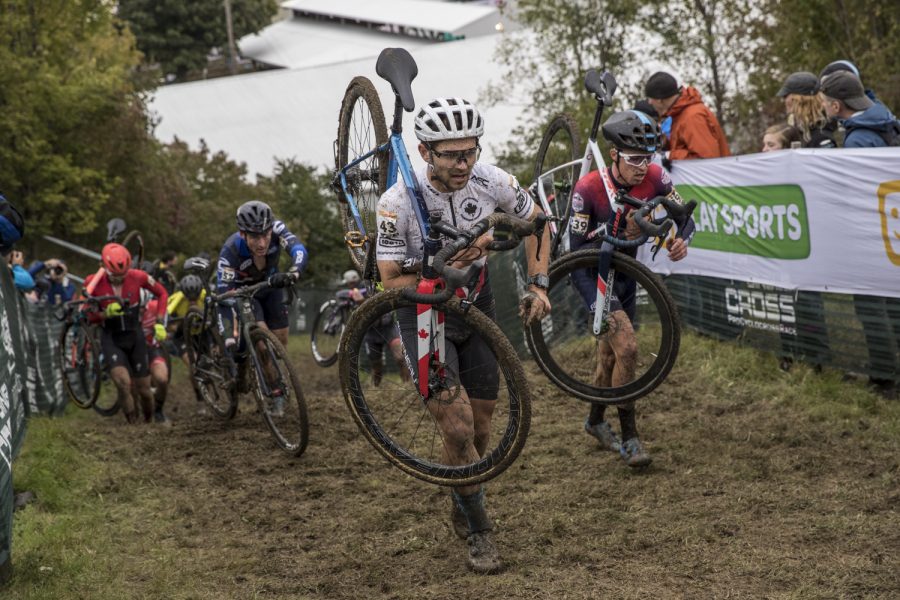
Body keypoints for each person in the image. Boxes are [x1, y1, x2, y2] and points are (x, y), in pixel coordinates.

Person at [375, 96, 551, 574]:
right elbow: (390, 279)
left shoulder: (493, 180)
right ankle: (480, 532)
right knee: (454, 427)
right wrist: (445, 269)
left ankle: (462, 492)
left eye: (470, 151)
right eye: (452, 154)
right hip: (423, 314)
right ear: (425, 152)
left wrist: (538, 281)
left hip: (477, 306)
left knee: (479, 429)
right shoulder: (396, 203)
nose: (463, 162)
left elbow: (538, 224)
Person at [568, 110, 694, 467]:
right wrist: (615, 231)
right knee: (628, 349)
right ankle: (630, 438)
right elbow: (575, 251)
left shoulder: (656, 175)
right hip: (592, 274)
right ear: (614, 156)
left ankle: (594, 420)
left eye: (648, 157)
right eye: (635, 159)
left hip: (625, 272)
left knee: (610, 357)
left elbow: (686, 216)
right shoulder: (588, 188)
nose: (643, 166)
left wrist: (681, 240)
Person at [820, 71, 900, 396]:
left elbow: (854, 192)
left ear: (837, 106)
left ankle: (884, 379)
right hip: (889, 229)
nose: (823, 108)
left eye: (825, 103)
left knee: (870, 307)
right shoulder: (885, 121)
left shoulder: (857, 139)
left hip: (871, 234)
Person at [217, 200, 308, 405]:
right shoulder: (230, 251)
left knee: (280, 343)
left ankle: (262, 366)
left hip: (269, 287)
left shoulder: (277, 229)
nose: (262, 243)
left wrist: (293, 273)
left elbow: (299, 249)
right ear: (243, 234)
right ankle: (275, 391)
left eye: (265, 236)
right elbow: (223, 292)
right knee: (263, 344)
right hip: (244, 294)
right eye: (255, 237)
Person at [84, 243, 169, 423]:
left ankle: (149, 421)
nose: (119, 280)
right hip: (111, 337)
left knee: (144, 389)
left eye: (123, 276)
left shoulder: (138, 276)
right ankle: (132, 424)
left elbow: (162, 293)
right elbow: (85, 315)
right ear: (104, 268)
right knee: (123, 383)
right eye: (115, 277)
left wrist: (160, 322)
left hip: (135, 336)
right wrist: (103, 314)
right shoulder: (92, 282)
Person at [341, 269, 409, 387]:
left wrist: (362, 300)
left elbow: (382, 295)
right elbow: (340, 294)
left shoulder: (377, 284)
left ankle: (407, 385)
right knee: (376, 366)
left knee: (400, 358)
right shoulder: (354, 291)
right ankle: (375, 388)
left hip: (389, 328)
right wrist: (353, 295)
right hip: (371, 332)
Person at [644, 71, 730, 163]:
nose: (649, 102)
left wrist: (668, 155)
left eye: (650, 98)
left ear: (659, 100)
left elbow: (705, 158)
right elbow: (687, 147)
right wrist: (664, 143)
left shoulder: (692, 117)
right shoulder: (680, 115)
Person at [820, 71, 900, 148]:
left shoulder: (855, 141)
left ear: (836, 106)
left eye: (824, 101)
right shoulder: (888, 120)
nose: (822, 105)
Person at [166, 273, 207, 413]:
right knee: (194, 365)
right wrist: (177, 324)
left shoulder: (205, 295)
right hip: (183, 336)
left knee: (208, 365)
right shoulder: (176, 299)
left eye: (195, 298)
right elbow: (167, 322)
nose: (192, 301)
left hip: (203, 333)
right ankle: (200, 399)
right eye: (189, 299)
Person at [776, 71, 837, 149]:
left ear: (800, 100)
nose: (784, 101)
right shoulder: (800, 130)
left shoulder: (821, 136)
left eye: (785, 96)